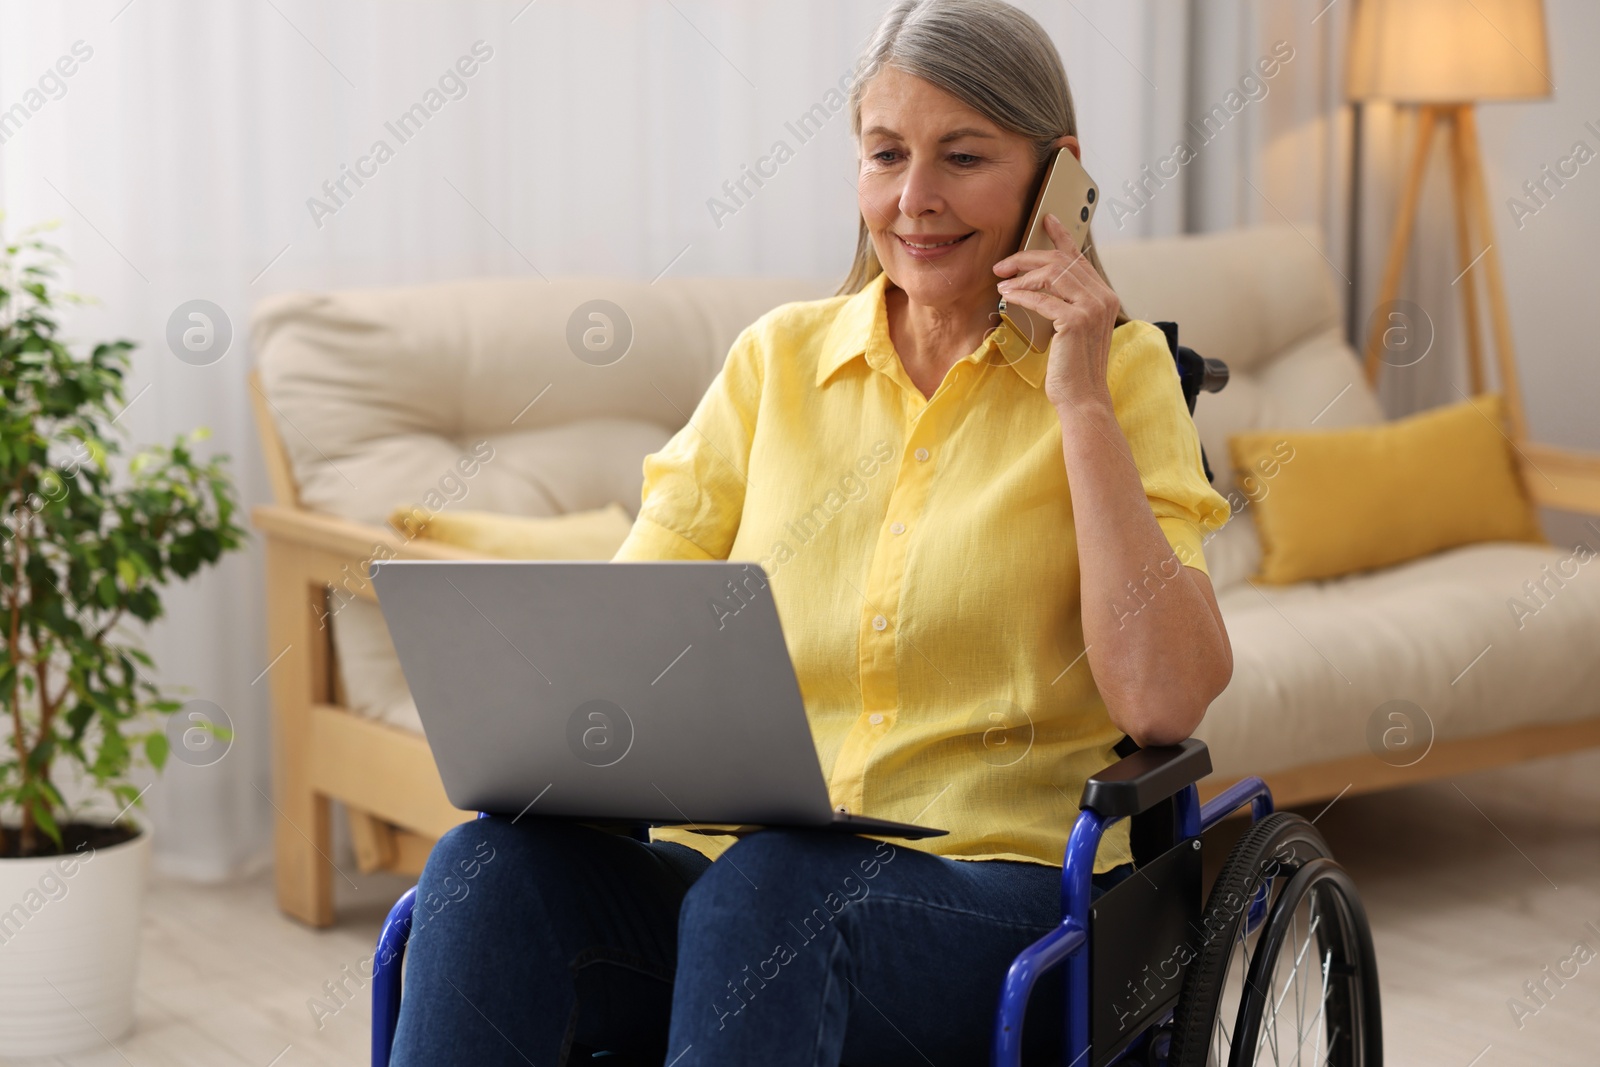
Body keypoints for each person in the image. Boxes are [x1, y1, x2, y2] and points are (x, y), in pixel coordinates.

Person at [389, 1, 1234, 1064]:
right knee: (483, 868)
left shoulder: (1119, 379)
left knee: (775, 887)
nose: (913, 200)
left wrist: (1082, 404)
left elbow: (1164, 696)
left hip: (991, 898)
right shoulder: (774, 364)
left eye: (962, 156)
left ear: (1055, 174)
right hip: (734, 887)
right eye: (886, 155)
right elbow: (624, 636)